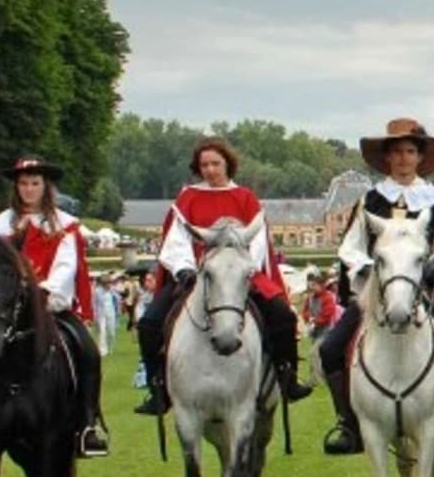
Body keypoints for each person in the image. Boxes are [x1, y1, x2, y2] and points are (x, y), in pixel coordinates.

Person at [317, 119, 434, 454]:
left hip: (430, 292)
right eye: (396, 152)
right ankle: (347, 422)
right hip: (379, 293)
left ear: (420, 157)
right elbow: (349, 248)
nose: (403, 158)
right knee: (329, 348)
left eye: (410, 151)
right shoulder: (369, 201)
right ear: (387, 158)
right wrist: (369, 269)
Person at [134, 137, 315, 417]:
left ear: (227, 164)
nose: (209, 170)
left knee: (282, 315)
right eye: (204, 164)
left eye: (215, 163)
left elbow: (256, 241)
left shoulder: (245, 198)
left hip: (241, 275)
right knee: (149, 323)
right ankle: (157, 387)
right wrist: (185, 269)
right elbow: (175, 241)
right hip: (194, 277)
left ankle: (286, 376)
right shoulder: (187, 198)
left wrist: (242, 269)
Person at [0, 157, 108, 457]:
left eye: (35, 183)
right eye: (23, 183)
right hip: (1, 311)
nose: (29, 189)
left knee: (87, 351)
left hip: (49, 307)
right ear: (16, 186)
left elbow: (65, 267)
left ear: (45, 186)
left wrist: (43, 293)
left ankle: (87, 427)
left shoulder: (65, 226)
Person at [93, 273, 120, 354]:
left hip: (111, 312)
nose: (108, 285)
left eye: (109, 283)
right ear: (102, 284)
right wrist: (95, 315)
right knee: (102, 332)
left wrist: (118, 311)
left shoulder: (113, 290)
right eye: (106, 283)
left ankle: (110, 347)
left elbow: (118, 300)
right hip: (101, 314)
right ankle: (102, 350)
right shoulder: (97, 291)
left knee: (111, 332)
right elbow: (94, 304)